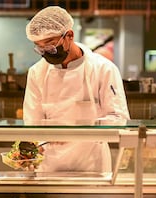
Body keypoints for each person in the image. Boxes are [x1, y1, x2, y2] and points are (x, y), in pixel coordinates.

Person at [23, 6, 130, 173]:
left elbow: (119, 118)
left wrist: (79, 131)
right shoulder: (37, 73)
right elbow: (32, 122)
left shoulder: (104, 69)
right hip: (50, 166)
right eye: (40, 48)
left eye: (50, 47)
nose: (46, 53)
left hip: (92, 165)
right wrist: (38, 143)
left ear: (69, 36)